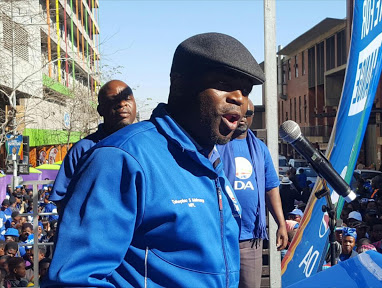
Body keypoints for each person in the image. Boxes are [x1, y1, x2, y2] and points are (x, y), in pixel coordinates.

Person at [45, 32, 265, 287]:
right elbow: (75, 280)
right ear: (180, 83)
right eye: (223, 83)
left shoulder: (211, 157)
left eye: (246, 91)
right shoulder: (120, 159)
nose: (239, 99)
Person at [217, 99, 287, 288]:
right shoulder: (215, 146)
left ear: (253, 117)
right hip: (220, 235)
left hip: (250, 238)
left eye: (248, 113)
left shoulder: (260, 149)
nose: (243, 117)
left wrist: (281, 224)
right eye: (239, 112)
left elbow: (271, 187)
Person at [50, 80, 137, 206]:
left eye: (127, 99)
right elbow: (61, 197)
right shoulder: (83, 149)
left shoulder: (149, 146)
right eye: (113, 99)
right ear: (100, 109)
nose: (122, 103)